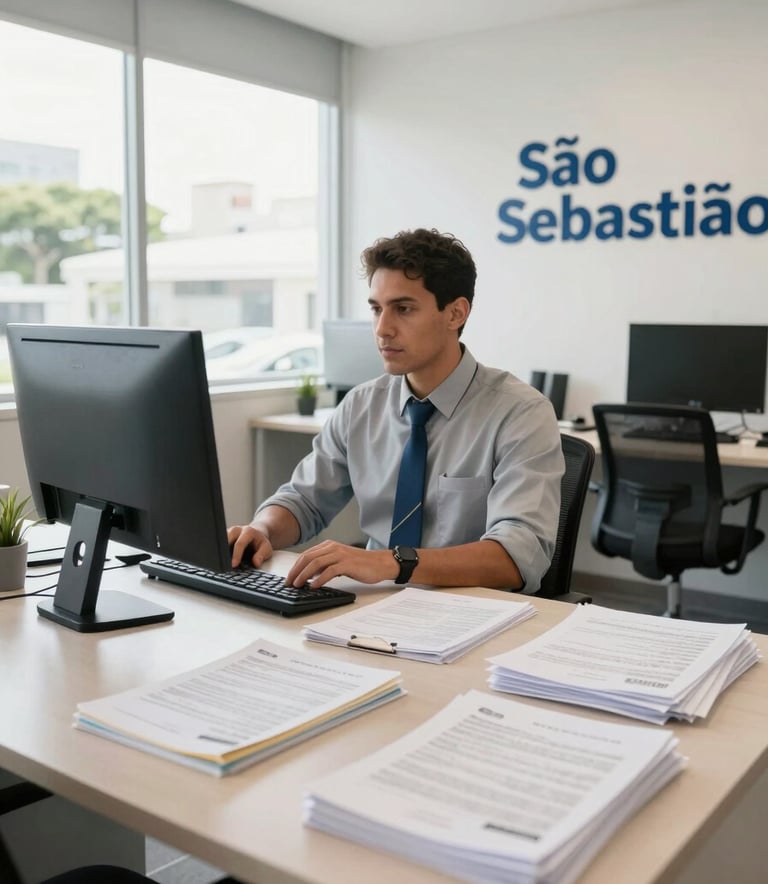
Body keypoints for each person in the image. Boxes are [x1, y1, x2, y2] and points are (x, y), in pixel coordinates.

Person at [229, 227, 563, 593]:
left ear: (455, 313)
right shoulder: (360, 405)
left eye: (403, 309)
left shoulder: (521, 413)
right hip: (377, 604)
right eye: (376, 309)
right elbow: (304, 500)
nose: (382, 329)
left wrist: (388, 563)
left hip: (472, 613)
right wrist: (262, 529)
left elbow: (517, 557)